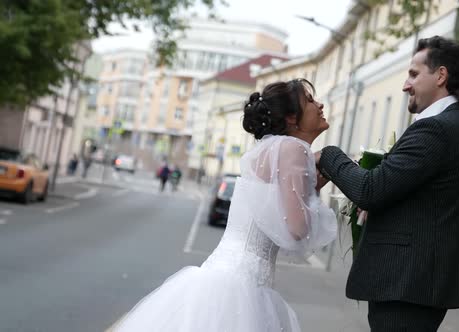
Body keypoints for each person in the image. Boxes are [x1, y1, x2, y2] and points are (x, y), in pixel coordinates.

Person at [113, 78, 337, 332]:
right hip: (243, 287)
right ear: (290, 118)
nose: (319, 104)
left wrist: (312, 187)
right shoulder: (293, 149)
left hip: (223, 275)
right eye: (309, 100)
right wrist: (320, 189)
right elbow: (297, 230)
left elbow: (274, 215)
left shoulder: (270, 150)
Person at [315, 36, 459, 331]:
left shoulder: (436, 129)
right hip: (419, 285)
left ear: (441, 75)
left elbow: (370, 190)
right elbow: (421, 199)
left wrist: (328, 156)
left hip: (407, 284)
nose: (406, 85)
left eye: (413, 74)